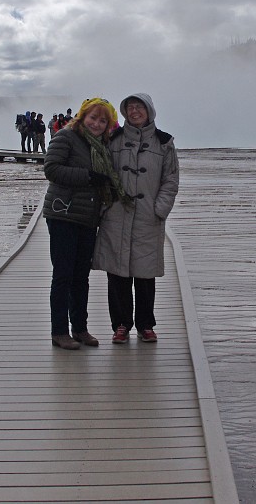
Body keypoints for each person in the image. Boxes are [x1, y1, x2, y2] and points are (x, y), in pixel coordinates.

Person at [93, 93, 180, 344]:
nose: (134, 111)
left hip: (147, 217)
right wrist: (106, 206)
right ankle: (120, 325)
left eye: (139, 107)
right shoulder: (114, 140)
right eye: (130, 108)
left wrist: (159, 209)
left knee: (144, 274)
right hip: (117, 216)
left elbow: (171, 179)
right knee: (117, 273)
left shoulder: (164, 142)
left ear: (149, 110)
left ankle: (145, 325)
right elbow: (102, 173)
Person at [42, 97, 127, 350]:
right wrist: (88, 176)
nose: (97, 124)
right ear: (82, 117)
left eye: (103, 120)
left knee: (81, 277)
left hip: (88, 217)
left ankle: (80, 328)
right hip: (63, 214)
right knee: (63, 275)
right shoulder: (66, 137)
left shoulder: (103, 145)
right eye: (93, 118)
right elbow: (52, 169)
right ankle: (59, 331)